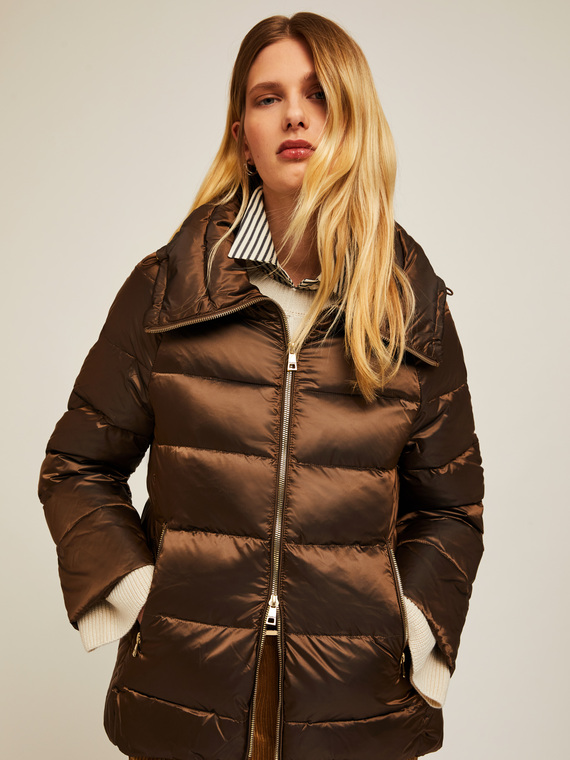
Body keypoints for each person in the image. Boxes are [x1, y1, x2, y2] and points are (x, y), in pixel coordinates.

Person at [38, 12, 484, 760]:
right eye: (268, 97)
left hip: (354, 698)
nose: (295, 115)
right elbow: (77, 465)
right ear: (242, 132)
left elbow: (450, 507)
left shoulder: (410, 306)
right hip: (187, 684)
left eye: (319, 95)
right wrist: (143, 595)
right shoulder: (167, 289)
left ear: (354, 123)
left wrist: (406, 624)